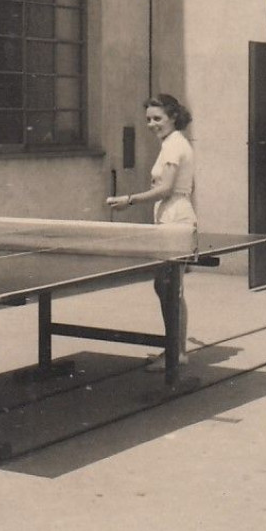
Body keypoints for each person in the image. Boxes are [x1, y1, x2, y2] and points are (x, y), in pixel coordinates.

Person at [106, 94, 196, 369]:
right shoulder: (173, 143)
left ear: (173, 117)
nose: (152, 124)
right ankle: (176, 349)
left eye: (158, 118)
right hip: (169, 215)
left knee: (169, 287)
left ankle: (176, 353)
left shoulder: (173, 146)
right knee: (167, 287)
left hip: (175, 217)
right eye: (148, 119)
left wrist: (129, 200)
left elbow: (166, 189)